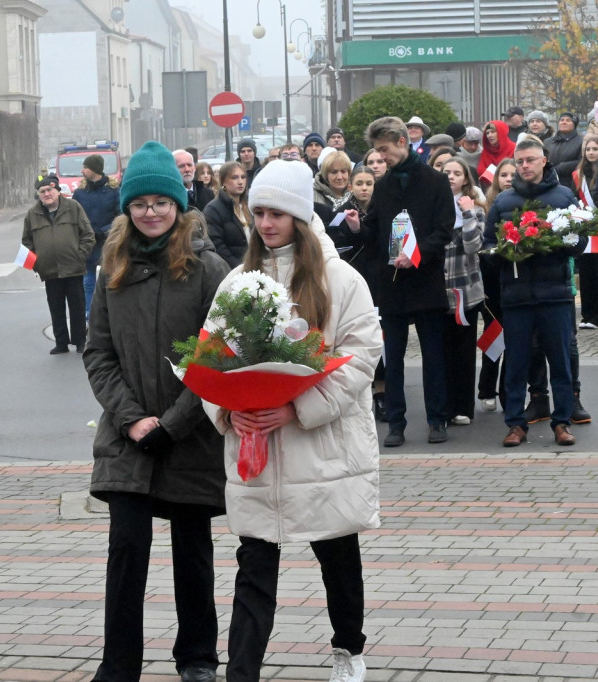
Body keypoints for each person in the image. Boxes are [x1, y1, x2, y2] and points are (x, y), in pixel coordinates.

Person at [205, 159, 382, 682]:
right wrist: (227, 407)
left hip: (321, 446)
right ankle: (242, 672)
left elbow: (360, 356)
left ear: (300, 217)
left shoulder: (340, 279)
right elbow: (211, 355)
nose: (265, 223)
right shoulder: (239, 281)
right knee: (254, 566)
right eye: (257, 212)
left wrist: (297, 407)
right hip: (258, 447)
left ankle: (349, 651)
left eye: (277, 212)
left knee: (338, 557)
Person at [83, 140, 229, 682]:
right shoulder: (112, 266)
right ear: (127, 208)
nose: (150, 212)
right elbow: (98, 352)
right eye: (140, 203)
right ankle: (118, 666)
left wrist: (173, 423)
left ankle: (197, 658)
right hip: (127, 438)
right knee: (126, 550)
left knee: (193, 553)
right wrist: (131, 418)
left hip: (189, 435)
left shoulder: (207, 266)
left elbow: (220, 354)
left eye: (160, 203)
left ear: (178, 204)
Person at [345, 116, 454, 447]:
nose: (381, 157)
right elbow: (375, 233)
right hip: (391, 284)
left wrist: (417, 253)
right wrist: (356, 227)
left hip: (426, 281)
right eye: (377, 151)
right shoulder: (385, 184)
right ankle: (396, 422)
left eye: (384, 150)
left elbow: (444, 230)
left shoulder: (436, 181)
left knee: (433, 356)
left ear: (403, 142)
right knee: (392, 357)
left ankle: (437, 419)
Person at [484, 139, 584, 447]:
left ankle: (562, 422)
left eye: (530, 160)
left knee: (560, 362)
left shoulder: (564, 196)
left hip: (554, 294)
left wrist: (558, 242)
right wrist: (506, 251)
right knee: (516, 362)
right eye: (520, 161)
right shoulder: (503, 202)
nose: (525, 166)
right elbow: (488, 245)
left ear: (544, 161)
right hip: (516, 296)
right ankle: (515, 424)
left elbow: (580, 243)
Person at [22, 174, 95, 354]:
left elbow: (88, 235)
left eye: (49, 190)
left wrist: (80, 256)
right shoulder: (33, 214)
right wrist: (36, 264)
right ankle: (61, 343)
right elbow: (27, 242)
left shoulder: (73, 207)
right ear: (38, 194)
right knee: (56, 308)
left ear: (57, 191)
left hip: (73, 268)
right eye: (42, 191)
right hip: (49, 270)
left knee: (77, 307)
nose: (47, 194)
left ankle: (80, 341)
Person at [440, 159, 486, 426]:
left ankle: (462, 407)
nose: (451, 177)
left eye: (457, 173)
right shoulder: (434, 206)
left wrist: (468, 213)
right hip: (438, 290)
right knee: (441, 351)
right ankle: (442, 407)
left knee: (464, 351)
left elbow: (473, 246)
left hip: (465, 291)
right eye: (446, 172)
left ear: (466, 180)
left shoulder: (475, 209)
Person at [476, 158, 517, 412]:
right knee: (493, 337)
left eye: (513, 174)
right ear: (496, 178)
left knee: (514, 341)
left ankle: (508, 391)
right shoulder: (486, 207)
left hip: (515, 281)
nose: (509, 179)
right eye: (504, 175)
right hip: (490, 281)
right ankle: (486, 389)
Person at [72, 157, 121, 319]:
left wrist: (106, 230)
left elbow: (120, 214)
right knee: (88, 281)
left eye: (85, 167)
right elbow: (74, 216)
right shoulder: (80, 192)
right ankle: (88, 314)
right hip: (88, 241)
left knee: (111, 278)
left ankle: (111, 312)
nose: (82, 170)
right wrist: (85, 232)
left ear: (95, 169)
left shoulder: (113, 190)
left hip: (108, 240)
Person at [573, 133, 598, 329]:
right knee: (588, 273)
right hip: (587, 228)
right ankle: (588, 315)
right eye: (588, 149)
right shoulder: (578, 174)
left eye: (595, 149)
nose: (591, 152)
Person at [204, 161, 250, 269]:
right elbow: (217, 245)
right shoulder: (213, 209)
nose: (240, 182)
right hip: (232, 270)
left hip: (254, 265)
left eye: (243, 177)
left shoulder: (249, 205)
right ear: (223, 181)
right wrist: (239, 268)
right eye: (234, 178)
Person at [544, 112, 584, 190]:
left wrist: (562, 167)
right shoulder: (547, 141)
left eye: (568, 120)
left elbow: (582, 161)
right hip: (549, 182)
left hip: (570, 183)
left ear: (574, 124)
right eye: (562, 120)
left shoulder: (581, 141)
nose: (564, 122)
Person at [312, 149, 353, 218]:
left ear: (349, 173)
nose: (339, 177)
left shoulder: (356, 194)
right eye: (334, 172)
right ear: (325, 174)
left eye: (343, 171)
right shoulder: (313, 196)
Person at [477, 120, 516, 188]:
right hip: (491, 189)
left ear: (501, 132)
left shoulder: (514, 149)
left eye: (493, 132)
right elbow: (481, 171)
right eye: (487, 133)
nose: (489, 135)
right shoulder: (485, 152)